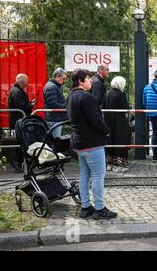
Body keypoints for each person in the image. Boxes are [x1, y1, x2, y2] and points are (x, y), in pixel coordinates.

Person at [66, 69, 117, 220]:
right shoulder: (86, 97)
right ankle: (99, 208)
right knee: (98, 176)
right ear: (80, 81)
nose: (91, 81)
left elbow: (68, 117)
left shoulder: (71, 96)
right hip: (91, 142)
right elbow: (96, 119)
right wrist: (107, 131)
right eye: (88, 78)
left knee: (84, 175)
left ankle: (85, 207)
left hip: (79, 142)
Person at [8, 74, 37, 172]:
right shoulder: (17, 92)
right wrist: (31, 105)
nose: (27, 83)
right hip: (18, 120)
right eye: (27, 81)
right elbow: (22, 107)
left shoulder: (16, 91)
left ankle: (19, 162)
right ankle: (17, 162)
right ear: (23, 82)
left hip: (17, 120)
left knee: (20, 141)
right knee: (20, 142)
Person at [104, 76, 131, 173]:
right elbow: (126, 108)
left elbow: (103, 107)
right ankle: (119, 165)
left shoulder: (107, 93)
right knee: (120, 142)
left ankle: (110, 164)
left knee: (110, 141)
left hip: (108, 122)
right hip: (120, 122)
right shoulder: (121, 94)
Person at [43, 68, 68, 138]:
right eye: (63, 79)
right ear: (57, 76)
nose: (64, 81)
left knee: (55, 140)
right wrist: (66, 106)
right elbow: (53, 104)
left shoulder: (54, 86)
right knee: (56, 141)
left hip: (55, 118)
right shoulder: (51, 87)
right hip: (54, 119)